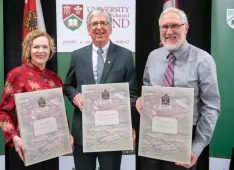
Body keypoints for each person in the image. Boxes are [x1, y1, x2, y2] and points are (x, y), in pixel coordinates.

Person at [136, 7, 220, 170]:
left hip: (184, 140)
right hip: (152, 137)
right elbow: (147, 88)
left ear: (186, 28)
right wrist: (142, 100)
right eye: (164, 27)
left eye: (175, 26)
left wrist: (196, 147)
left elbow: (211, 107)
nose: (169, 31)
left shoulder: (203, 60)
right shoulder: (153, 57)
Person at [64, 8, 138, 170]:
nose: (99, 27)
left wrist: (127, 125)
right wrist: (75, 95)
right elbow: (68, 85)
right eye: (94, 23)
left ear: (111, 28)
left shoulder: (125, 55)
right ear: (88, 29)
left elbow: (132, 94)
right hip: (83, 131)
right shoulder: (77, 55)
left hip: (113, 132)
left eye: (104, 23)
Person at [0, 30, 74, 170]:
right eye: (36, 47)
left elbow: (59, 112)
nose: (41, 51)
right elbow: (2, 112)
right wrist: (14, 137)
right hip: (26, 147)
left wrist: (66, 133)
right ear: (28, 50)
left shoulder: (54, 78)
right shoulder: (17, 75)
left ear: (50, 50)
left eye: (45, 47)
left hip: (52, 146)